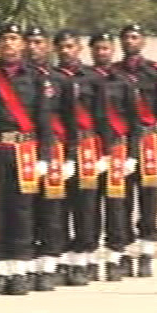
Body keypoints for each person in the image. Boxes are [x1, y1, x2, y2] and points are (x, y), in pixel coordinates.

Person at [0, 23, 51, 295]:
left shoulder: (36, 78)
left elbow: (44, 120)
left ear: (22, 44)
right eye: (4, 39)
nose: (9, 44)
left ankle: (20, 271)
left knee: (23, 211)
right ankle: (1, 271)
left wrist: (44, 156)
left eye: (14, 39)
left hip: (25, 152)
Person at [113, 23, 157, 278]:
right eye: (126, 37)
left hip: (149, 142)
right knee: (122, 200)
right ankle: (125, 252)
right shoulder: (112, 73)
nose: (130, 41)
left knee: (148, 199)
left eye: (135, 37)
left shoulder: (155, 73)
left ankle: (147, 252)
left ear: (143, 41)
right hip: (123, 143)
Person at [25, 26, 78, 290]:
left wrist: (70, 156)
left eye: (38, 42)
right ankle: (28, 265)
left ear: (47, 46)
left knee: (53, 210)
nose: (34, 47)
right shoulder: (19, 78)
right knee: (27, 210)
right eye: (30, 42)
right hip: (23, 150)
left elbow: (70, 121)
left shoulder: (60, 80)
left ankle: (50, 264)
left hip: (53, 150)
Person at [54, 30, 108, 282]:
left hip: (88, 146)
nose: (66, 51)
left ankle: (85, 258)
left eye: (70, 46)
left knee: (87, 206)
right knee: (58, 206)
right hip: (59, 147)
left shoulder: (94, 79)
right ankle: (63, 259)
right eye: (61, 47)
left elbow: (102, 117)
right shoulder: (50, 78)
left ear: (79, 49)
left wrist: (105, 153)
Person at [90, 32, 140, 282]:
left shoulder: (125, 82)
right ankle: (87, 259)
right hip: (89, 150)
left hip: (118, 150)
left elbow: (134, 121)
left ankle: (116, 257)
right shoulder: (84, 79)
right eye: (98, 48)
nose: (102, 53)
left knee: (117, 207)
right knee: (87, 207)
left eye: (106, 48)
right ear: (91, 51)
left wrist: (132, 154)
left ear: (113, 50)